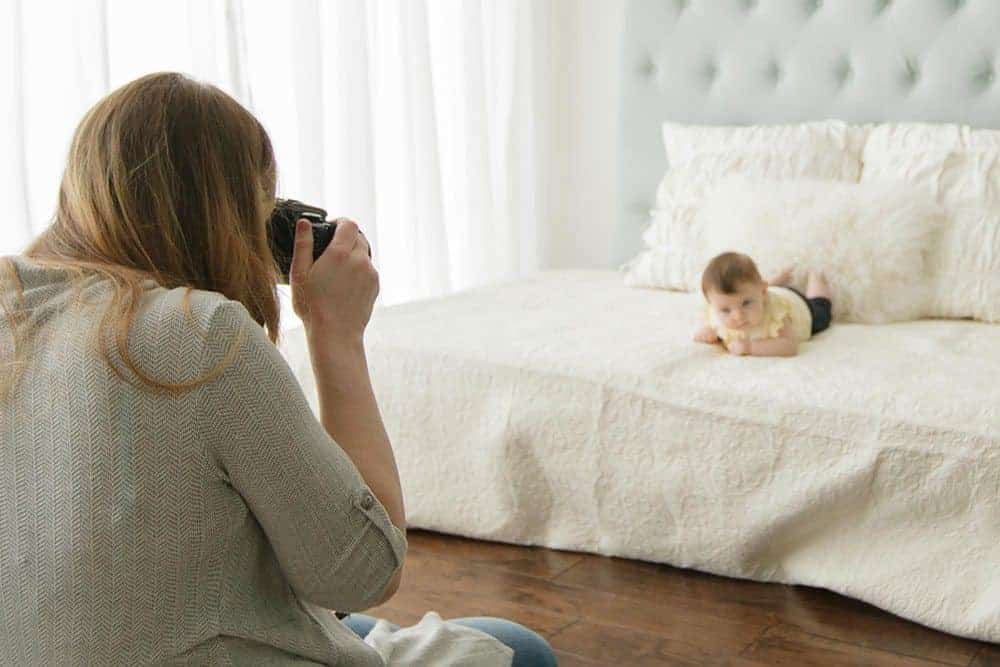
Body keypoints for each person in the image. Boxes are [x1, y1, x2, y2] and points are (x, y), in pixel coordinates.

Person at [0, 72, 554, 666]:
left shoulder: (13, 306)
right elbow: (362, 572)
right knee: (518, 647)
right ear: (232, 212)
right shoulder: (200, 333)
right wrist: (335, 334)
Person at [693, 252, 833, 357]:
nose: (738, 316)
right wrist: (707, 331)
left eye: (746, 303)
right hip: (767, 291)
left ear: (763, 292)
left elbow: (790, 346)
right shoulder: (717, 309)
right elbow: (710, 323)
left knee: (821, 311)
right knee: (745, 294)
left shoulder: (776, 316)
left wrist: (750, 347)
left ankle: (816, 278)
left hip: (799, 304)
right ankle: (775, 282)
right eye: (725, 310)